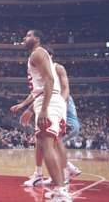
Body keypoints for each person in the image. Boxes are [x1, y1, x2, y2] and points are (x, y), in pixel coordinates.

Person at [13, 47, 81, 188]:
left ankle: (64, 173)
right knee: (44, 140)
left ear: (49, 56)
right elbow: (36, 92)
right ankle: (59, 172)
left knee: (50, 142)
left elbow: (65, 89)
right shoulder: (42, 72)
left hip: (59, 106)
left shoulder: (57, 68)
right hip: (51, 104)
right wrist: (24, 105)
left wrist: (54, 105)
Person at [16, 30, 70, 202]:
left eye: (28, 36)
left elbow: (49, 81)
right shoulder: (38, 55)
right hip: (50, 101)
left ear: (37, 39)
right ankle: (60, 186)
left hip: (49, 102)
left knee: (47, 144)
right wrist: (28, 108)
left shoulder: (38, 53)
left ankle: (62, 192)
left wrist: (44, 108)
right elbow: (40, 87)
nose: (24, 39)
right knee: (47, 143)